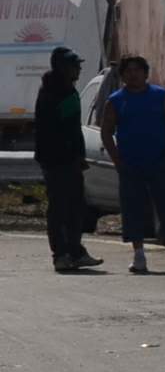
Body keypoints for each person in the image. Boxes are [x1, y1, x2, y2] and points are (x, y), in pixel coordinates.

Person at [99, 56, 165, 273]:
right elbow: (106, 131)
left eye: (137, 70)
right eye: (128, 71)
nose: (133, 74)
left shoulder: (160, 95)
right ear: (122, 75)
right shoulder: (116, 100)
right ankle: (139, 254)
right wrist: (117, 160)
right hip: (130, 163)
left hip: (159, 161)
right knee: (133, 209)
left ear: (145, 73)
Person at [34, 46, 100, 272]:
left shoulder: (69, 90)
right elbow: (51, 131)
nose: (78, 69)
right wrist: (61, 155)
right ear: (61, 67)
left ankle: (75, 251)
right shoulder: (51, 93)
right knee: (59, 208)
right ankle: (61, 254)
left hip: (71, 159)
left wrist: (79, 155)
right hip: (56, 160)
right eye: (74, 66)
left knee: (75, 207)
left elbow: (74, 129)